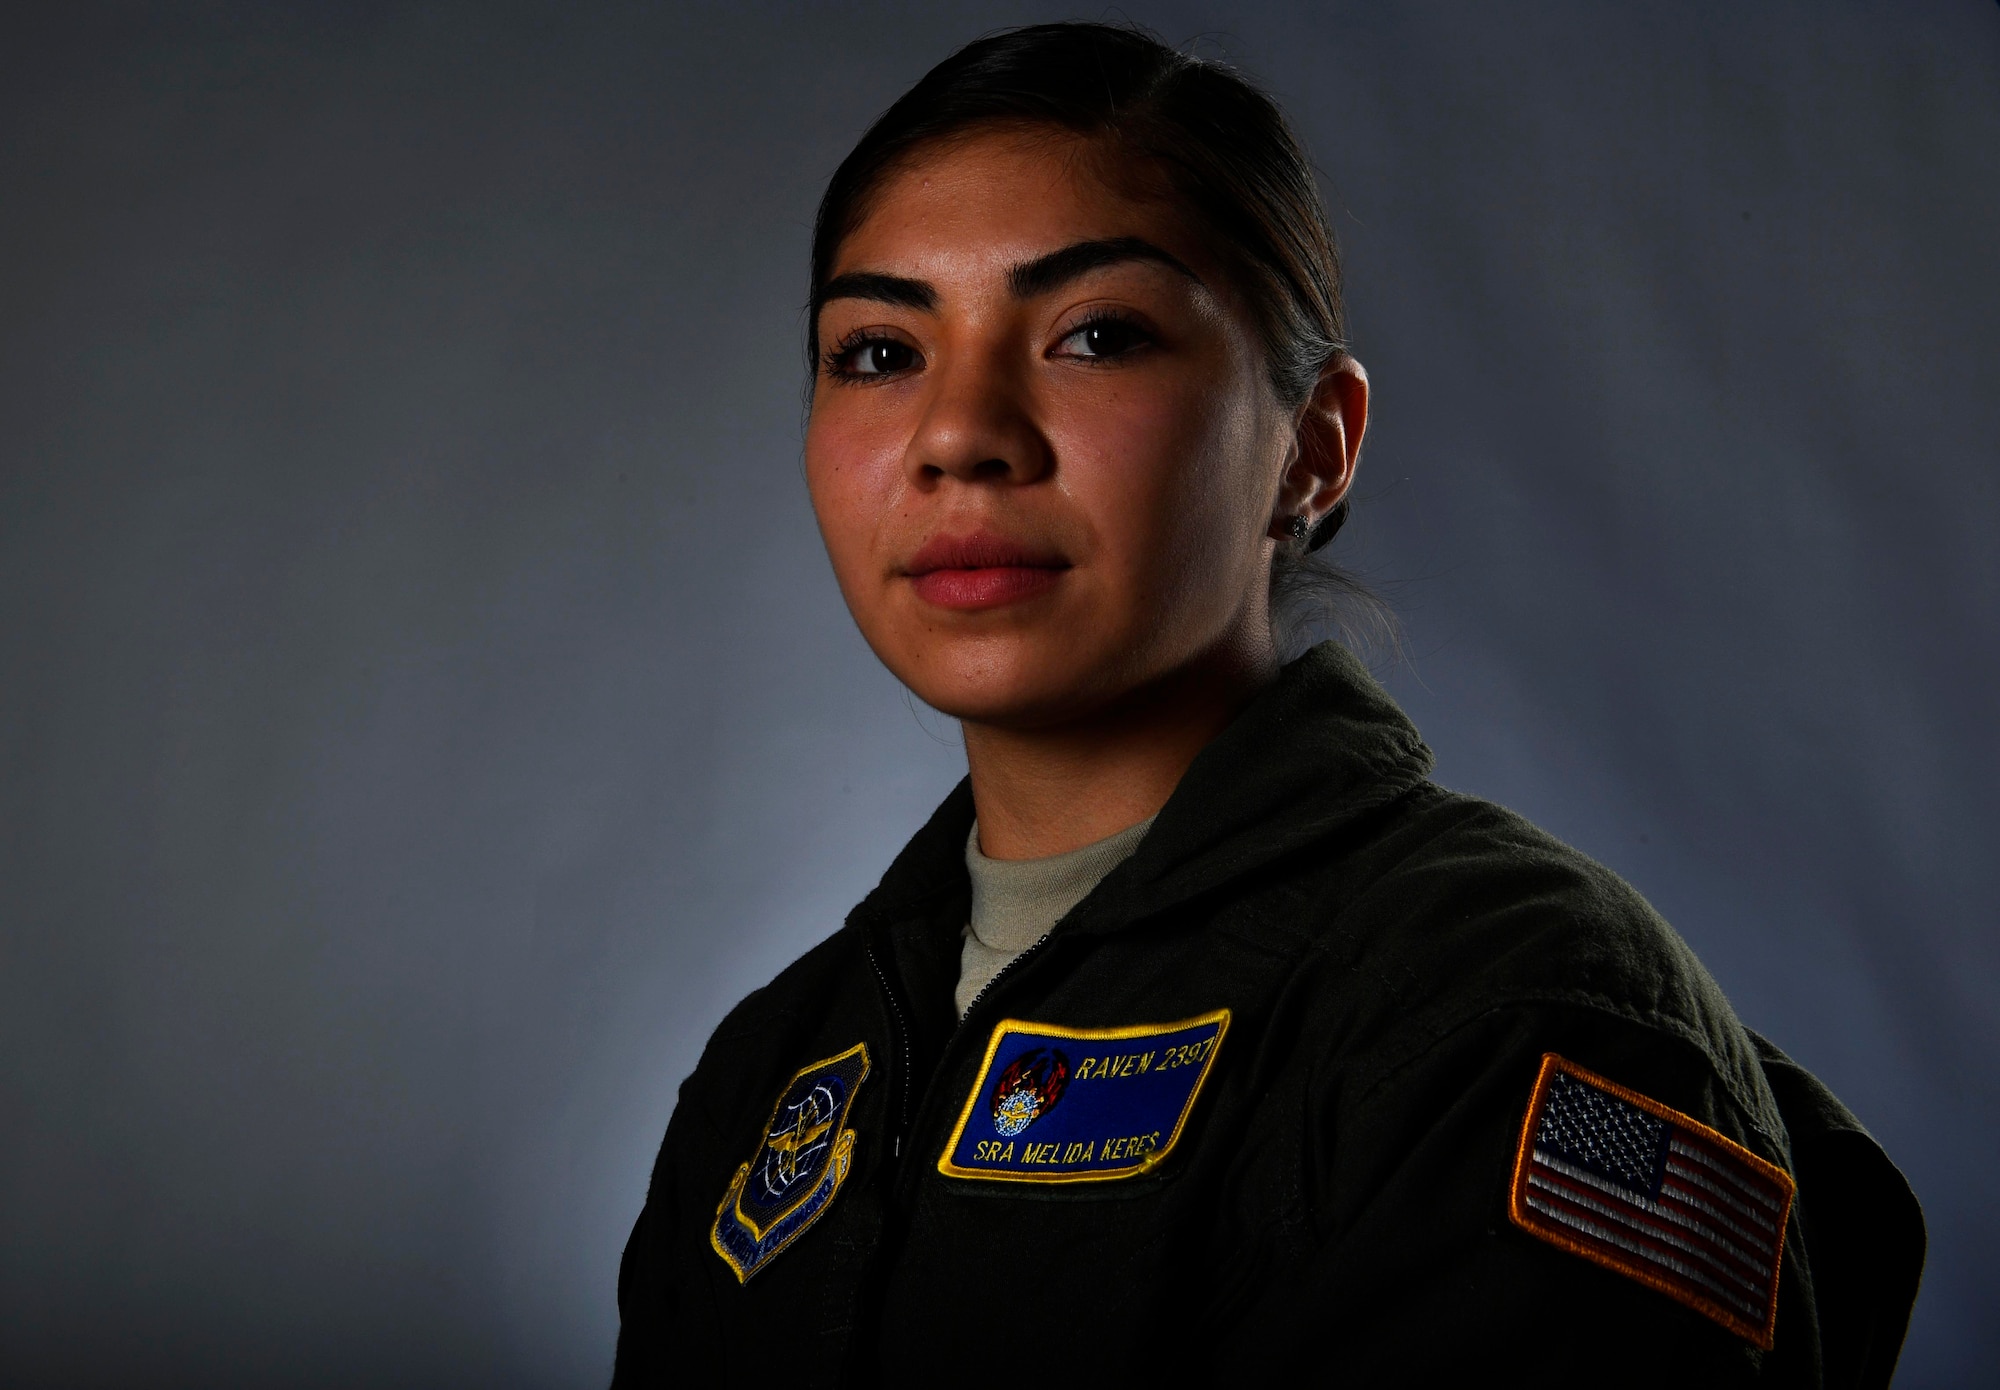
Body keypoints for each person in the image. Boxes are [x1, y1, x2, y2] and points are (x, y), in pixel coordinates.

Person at [611, 23, 1923, 1385]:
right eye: (879, 350)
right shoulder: (779, 1065)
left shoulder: (1511, 1014)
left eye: (1096, 333)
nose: (960, 433)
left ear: (1312, 447)